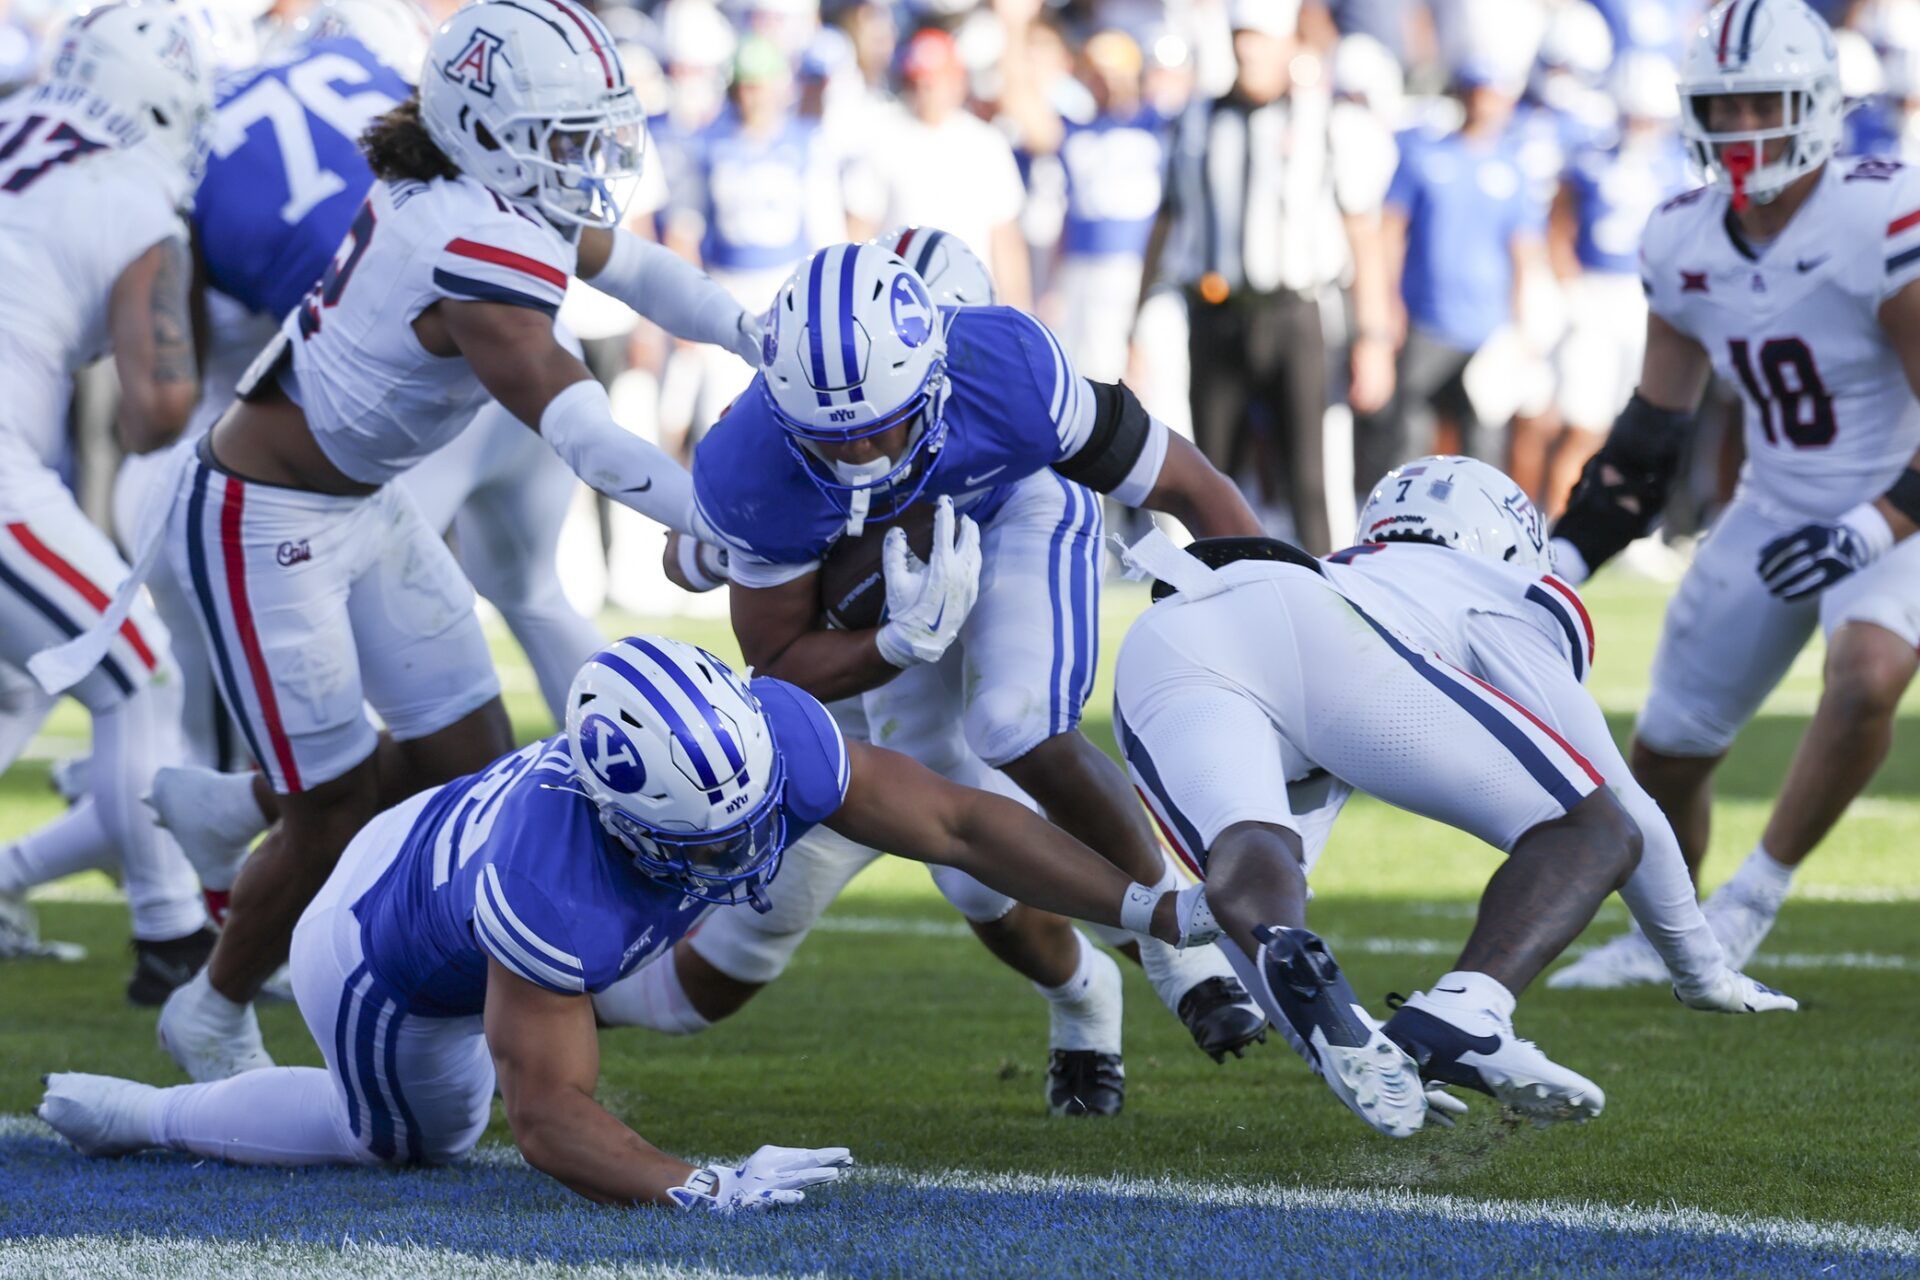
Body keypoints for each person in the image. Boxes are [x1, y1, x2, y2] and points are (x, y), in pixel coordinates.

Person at [27, 0, 765, 1083]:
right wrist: (724, 524)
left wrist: (756, 330)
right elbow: (585, 434)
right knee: (331, 809)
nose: (587, 157)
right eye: (566, 133)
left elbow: (640, 269)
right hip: (260, 518)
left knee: (467, 762)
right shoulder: (467, 236)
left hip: (359, 503)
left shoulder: (483, 187)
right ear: (493, 130)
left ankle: (231, 806)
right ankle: (211, 1002)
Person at [37, 636, 1220, 1204]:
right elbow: (551, 1116)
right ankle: (158, 1107)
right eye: (712, 841)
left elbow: (960, 824)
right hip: (376, 944)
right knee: (414, 1139)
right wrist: (698, 1183)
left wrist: (1145, 899)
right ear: (627, 817)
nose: (750, 842)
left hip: (436, 835)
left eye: (755, 809)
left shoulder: (766, 737)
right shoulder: (550, 885)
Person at [687, 239, 1270, 1112]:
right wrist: (892, 644)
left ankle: (1170, 939)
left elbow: (1187, 482)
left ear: (937, 366)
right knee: (966, 869)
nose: (862, 458)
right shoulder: (749, 462)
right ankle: (1084, 998)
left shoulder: (1006, 367)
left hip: (1018, 512)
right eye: (831, 437)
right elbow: (775, 661)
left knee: (1012, 719)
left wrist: (1270, 611)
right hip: (883, 622)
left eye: (884, 422)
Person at [1111, 456, 1796, 1138]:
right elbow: (1618, 803)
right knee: (1592, 829)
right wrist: (1703, 970)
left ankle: (1375, 1027)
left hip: (1166, 635)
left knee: (1251, 874)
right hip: (1323, 626)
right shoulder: (1491, 583)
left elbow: (1248, 928)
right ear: (1503, 538)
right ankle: (1470, 1008)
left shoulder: (1360, 571)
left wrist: (1345, 1053)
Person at [1548, 0, 1920, 986]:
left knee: (1870, 670)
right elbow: (1652, 434)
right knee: (1668, 751)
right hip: (1775, 502)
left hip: (1904, 499)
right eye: (1726, 105)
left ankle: (1749, 901)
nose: (1747, 126)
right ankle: (1673, 937)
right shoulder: (1680, 237)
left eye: (1767, 102)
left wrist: (1878, 524)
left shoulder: (1883, 213)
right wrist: (1562, 558)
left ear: (1819, 104)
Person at [0, 2, 215, 995]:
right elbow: (157, 406)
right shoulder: (135, 190)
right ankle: (175, 942)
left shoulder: (16, 122)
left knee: (21, 674)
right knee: (133, 667)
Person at [1142, 0, 1396, 552]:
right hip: (1215, 311)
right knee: (1208, 473)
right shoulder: (1196, 119)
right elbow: (1165, 224)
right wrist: (1137, 324)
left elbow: (1362, 232)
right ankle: (1204, 600)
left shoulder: (1324, 119)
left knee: (1312, 476)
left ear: (1287, 45)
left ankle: (1331, 606)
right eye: (1241, 37)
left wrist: (1373, 336)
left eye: (1259, 38)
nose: (1247, 50)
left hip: (1297, 313)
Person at [1361, 59, 1547, 487]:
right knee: (1408, 441)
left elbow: (1522, 251)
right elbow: (1390, 232)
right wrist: (1388, 303)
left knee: (1482, 449)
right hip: (1427, 320)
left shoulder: (1514, 170)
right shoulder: (1425, 157)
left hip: (1486, 328)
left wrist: (1523, 324)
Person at [843, 27, 1031, 309]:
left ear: (958, 82)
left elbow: (1005, 240)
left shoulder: (987, 143)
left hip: (972, 302)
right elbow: (859, 228)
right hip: (899, 305)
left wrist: (1019, 312)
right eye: (917, 81)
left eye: (935, 81)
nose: (926, 91)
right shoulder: (883, 139)